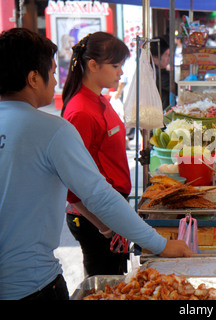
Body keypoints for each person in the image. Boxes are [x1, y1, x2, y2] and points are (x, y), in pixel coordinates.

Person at [0, 28, 192, 300]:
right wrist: (160, 244)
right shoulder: (53, 129)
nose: (56, 80)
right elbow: (99, 196)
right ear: (33, 78)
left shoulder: (83, 110)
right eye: (53, 72)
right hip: (32, 285)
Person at [60, 32, 138, 277]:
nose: (121, 73)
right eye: (116, 66)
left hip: (112, 209)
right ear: (93, 65)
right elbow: (71, 184)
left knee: (117, 280)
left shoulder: (99, 99)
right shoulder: (81, 111)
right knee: (104, 285)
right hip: (96, 216)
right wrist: (104, 225)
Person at [150, 36, 173, 110]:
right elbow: (174, 88)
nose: (168, 58)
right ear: (155, 57)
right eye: (166, 55)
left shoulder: (157, 71)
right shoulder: (157, 74)